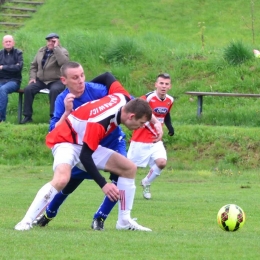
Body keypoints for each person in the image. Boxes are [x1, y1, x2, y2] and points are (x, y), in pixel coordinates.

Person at [34, 62, 130, 231]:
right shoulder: (62, 100)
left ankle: (100, 218)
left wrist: (151, 120)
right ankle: (49, 213)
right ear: (64, 80)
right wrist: (67, 112)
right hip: (85, 146)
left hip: (113, 141)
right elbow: (54, 131)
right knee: (68, 183)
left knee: (121, 178)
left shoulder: (98, 90)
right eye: (75, 78)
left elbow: (128, 103)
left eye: (82, 75)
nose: (80, 81)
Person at [127, 73, 174, 199]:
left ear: (170, 86)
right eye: (161, 83)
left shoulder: (170, 100)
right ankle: (121, 189)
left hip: (155, 139)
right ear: (156, 84)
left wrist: (170, 127)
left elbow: (166, 114)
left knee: (162, 162)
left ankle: (146, 182)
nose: (163, 86)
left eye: (166, 84)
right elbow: (135, 106)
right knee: (129, 167)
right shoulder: (148, 98)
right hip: (140, 139)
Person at [20, 33, 69, 124]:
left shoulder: (62, 51)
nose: (50, 43)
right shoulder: (41, 50)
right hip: (41, 80)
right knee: (28, 89)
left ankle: (53, 117)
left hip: (56, 80)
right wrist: (33, 77)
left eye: (53, 41)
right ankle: (27, 116)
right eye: (48, 41)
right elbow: (33, 66)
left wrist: (56, 48)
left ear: (57, 41)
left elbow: (63, 63)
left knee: (55, 90)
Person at [0, 35, 23, 122]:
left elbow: (18, 68)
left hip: (14, 81)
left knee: (3, 89)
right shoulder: (0, 53)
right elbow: (15, 68)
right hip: (1, 79)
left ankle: (1, 119)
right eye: (6, 42)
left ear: (13, 43)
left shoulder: (18, 53)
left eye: (10, 41)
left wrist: (3, 67)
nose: (8, 43)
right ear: (3, 43)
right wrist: (12, 67)